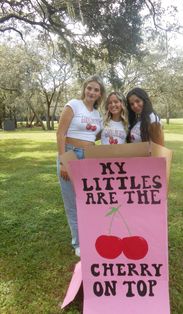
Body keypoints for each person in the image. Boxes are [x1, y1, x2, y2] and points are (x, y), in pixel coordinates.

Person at [56, 75, 106, 257]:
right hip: (71, 154)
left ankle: (91, 235)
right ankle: (78, 242)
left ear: (100, 94)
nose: (92, 92)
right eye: (89, 88)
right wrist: (63, 161)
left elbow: (97, 134)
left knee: (89, 199)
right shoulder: (73, 105)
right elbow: (60, 134)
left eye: (96, 90)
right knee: (72, 201)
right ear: (84, 88)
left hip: (90, 158)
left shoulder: (97, 114)